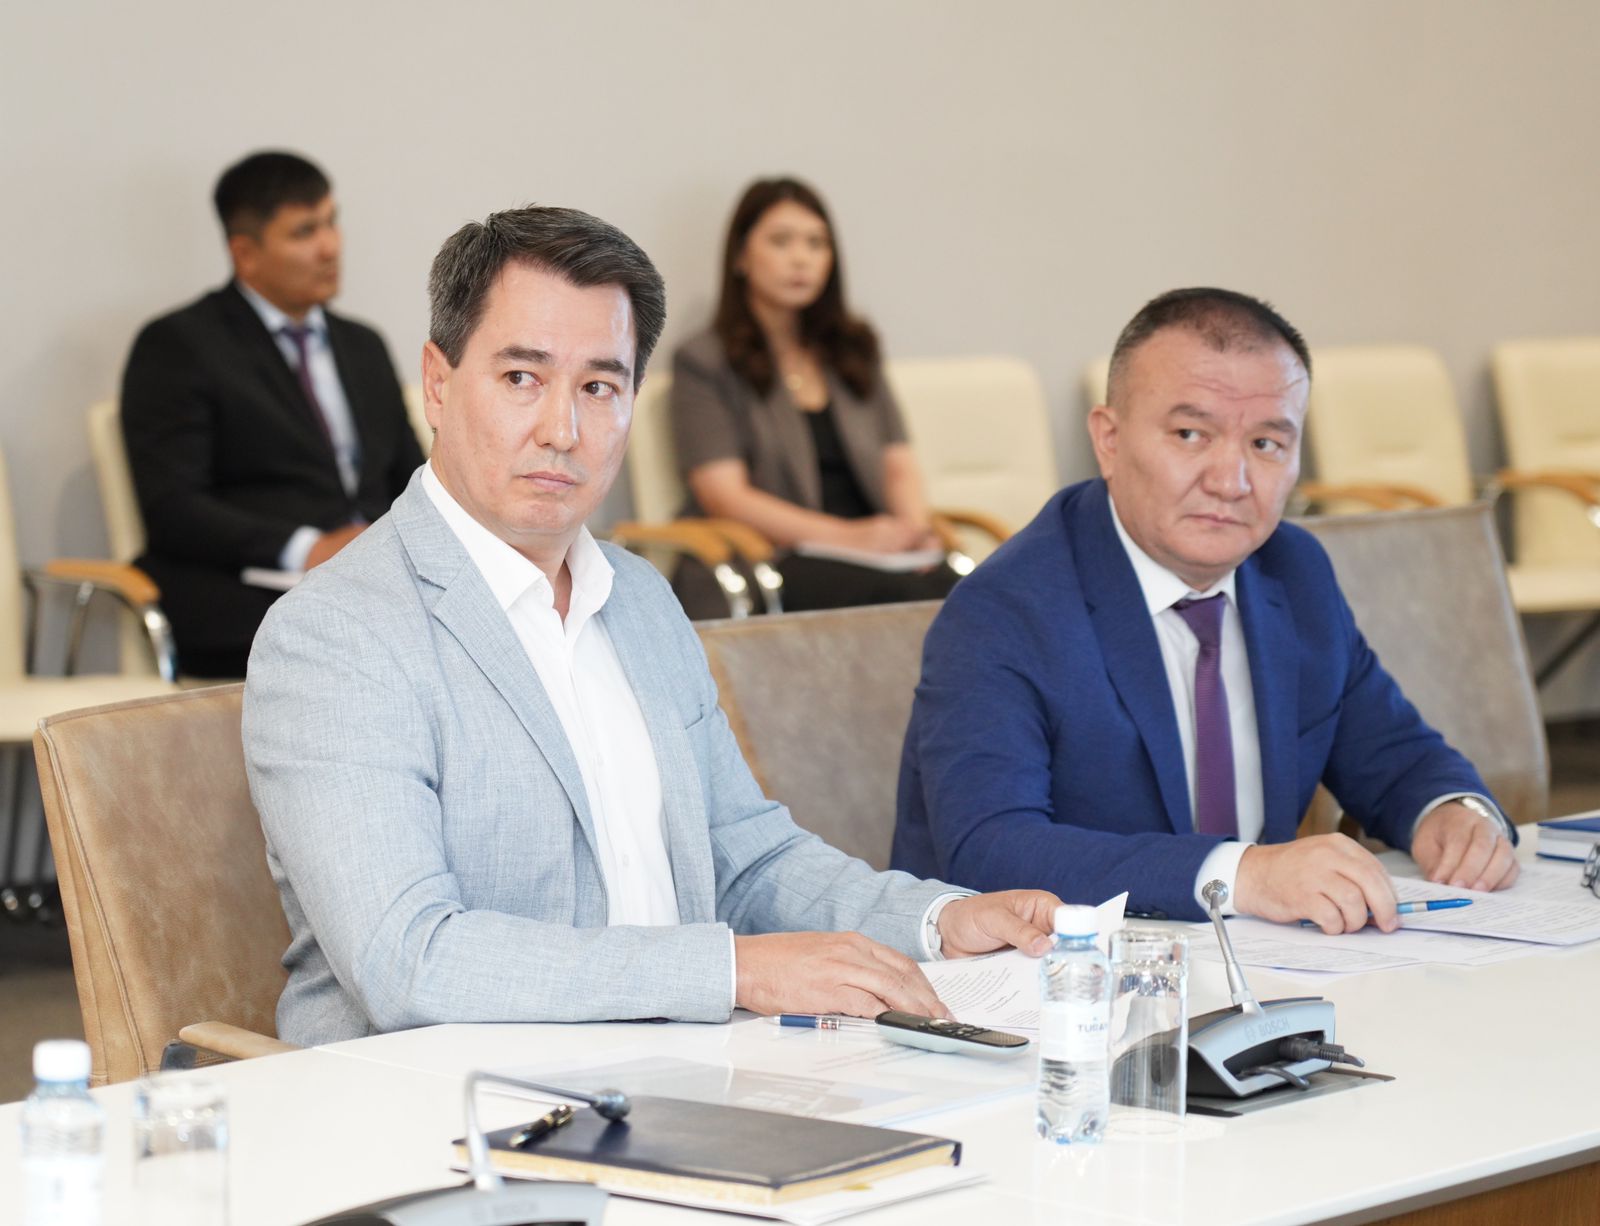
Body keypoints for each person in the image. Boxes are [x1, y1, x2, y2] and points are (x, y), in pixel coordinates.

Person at [242, 205, 1059, 1045]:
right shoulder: (338, 633)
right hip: (446, 1100)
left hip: (681, 1070)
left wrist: (937, 921)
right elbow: (408, 959)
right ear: (438, 384)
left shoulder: (638, 598)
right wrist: (734, 970)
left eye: (599, 387)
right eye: (521, 378)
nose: (562, 431)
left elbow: (745, 857)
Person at [891, 288, 1520, 932]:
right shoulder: (1006, 609)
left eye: (1267, 444)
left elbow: (1392, 752)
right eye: (1191, 435)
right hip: (1049, 975)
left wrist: (1451, 812)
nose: (1230, 481)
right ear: (1109, 439)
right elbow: (990, 846)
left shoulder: (1293, 571)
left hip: (1264, 965)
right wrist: (1242, 875)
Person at [121, 150, 424, 677]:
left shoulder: (363, 346)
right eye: (304, 232)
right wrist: (309, 548)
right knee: (355, 636)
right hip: (247, 586)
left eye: (331, 222)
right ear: (246, 252)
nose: (330, 246)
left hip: (373, 576)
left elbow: (413, 479)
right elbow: (173, 507)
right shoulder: (179, 345)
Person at [668, 177, 960, 617]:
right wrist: (852, 538)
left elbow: (898, 463)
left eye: (816, 243)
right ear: (741, 256)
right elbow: (725, 496)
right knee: (899, 596)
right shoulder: (704, 360)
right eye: (781, 241)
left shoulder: (853, 350)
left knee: (970, 590)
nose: (801, 258)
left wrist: (914, 533)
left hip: (877, 555)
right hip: (773, 556)